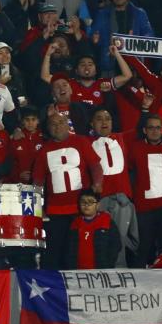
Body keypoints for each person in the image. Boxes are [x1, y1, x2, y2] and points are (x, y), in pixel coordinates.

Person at [33, 113, 103, 270]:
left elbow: (95, 166)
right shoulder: (44, 151)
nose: (57, 127)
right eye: (53, 124)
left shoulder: (81, 141)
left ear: (67, 124)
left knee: (78, 251)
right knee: (55, 252)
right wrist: (39, 208)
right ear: (48, 128)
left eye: (60, 122)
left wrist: (98, 184)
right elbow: (38, 182)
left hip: (80, 209)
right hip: (55, 211)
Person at [89, 107, 139, 267]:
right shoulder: (85, 142)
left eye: (107, 118)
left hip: (122, 202)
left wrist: (144, 107)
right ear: (91, 123)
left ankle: (120, 275)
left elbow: (142, 126)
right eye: (99, 118)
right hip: (99, 202)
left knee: (122, 241)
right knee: (100, 242)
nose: (104, 122)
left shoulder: (122, 138)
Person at [129, 113, 162, 268]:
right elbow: (130, 173)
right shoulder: (135, 148)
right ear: (144, 130)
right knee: (143, 248)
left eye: (158, 128)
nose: (155, 131)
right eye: (151, 128)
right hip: (144, 208)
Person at [91, 0, 153, 73]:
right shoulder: (102, 14)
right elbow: (95, 36)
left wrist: (135, 41)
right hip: (109, 63)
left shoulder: (139, 13)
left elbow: (149, 34)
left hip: (134, 64)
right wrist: (95, 40)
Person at [66, 189, 122, 269]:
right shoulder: (75, 224)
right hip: (77, 272)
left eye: (90, 202)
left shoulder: (107, 222)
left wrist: (108, 266)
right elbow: (69, 250)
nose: (86, 205)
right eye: (83, 202)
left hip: (100, 271)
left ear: (97, 205)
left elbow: (116, 245)